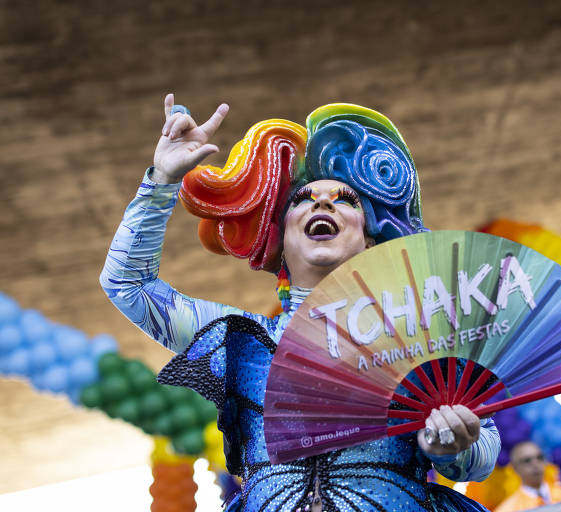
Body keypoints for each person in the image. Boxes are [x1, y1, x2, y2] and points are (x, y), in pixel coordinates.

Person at [100, 94, 501, 512]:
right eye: (301, 200)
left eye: (345, 199)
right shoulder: (241, 339)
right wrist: (161, 181)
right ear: (280, 239)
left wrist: (453, 448)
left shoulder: (423, 337)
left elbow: (483, 452)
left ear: (369, 237)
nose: (322, 202)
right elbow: (127, 284)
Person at [494, 441, 561, 512]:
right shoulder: (508, 509)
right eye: (527, 460)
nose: (535, 464)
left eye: (540, 458)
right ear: (515, 468)